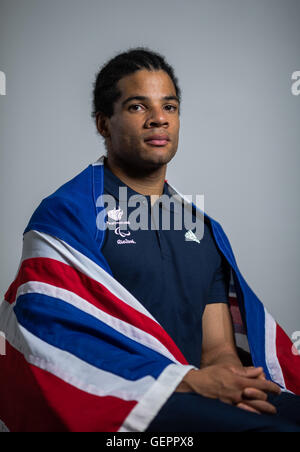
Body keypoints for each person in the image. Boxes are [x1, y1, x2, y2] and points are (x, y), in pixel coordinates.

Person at [0, 48, 299, 433]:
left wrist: (231, 382)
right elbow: (54, 342)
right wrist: (189, 381)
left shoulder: (203, 229)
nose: (159, 119)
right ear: (104, 123)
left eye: (170, 107)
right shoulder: (67, 215)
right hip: (128, 405)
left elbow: (217, 348)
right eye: (138, 107)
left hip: (202, 396)